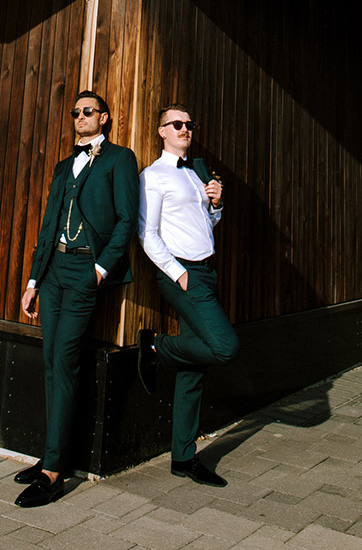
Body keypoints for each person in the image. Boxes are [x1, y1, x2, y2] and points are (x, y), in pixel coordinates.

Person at [14, 90, 139, 507]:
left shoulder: (120, 159)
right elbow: (49, 223)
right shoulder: (63, 166)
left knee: (65, 360)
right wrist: (33, 278)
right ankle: (52, 455)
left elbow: (126, 219)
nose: (79, 117)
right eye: (75, 113)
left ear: (103, 118)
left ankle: (53, 472)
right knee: (51, 362)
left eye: (87, 112)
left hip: (85, 270)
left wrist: (100, 269)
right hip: (52, 272)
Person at [137, 103, 239, 486]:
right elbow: (146, 232)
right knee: (225, 347)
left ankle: (183, 458)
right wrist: (177, 273)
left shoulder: (197, 172)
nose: (184, 129)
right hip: (181, 273)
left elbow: (207, 224)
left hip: (206, 270)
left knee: (195, 369)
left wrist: (216, 203)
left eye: (189, 124)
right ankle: (155, 347)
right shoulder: (153, 176)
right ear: (162, 131)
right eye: (176, 124)